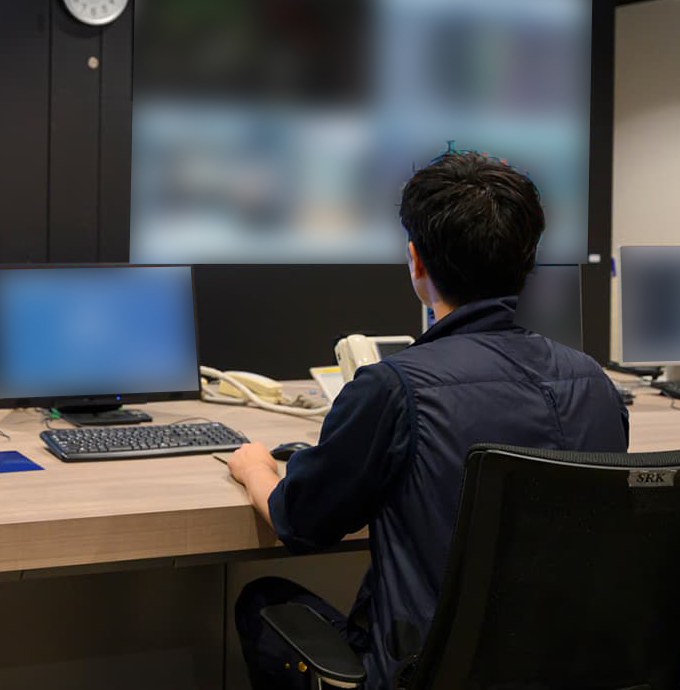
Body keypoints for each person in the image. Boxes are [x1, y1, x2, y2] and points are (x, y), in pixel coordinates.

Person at [226, 151, 629, 689]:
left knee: (263, 601)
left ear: (416, 261)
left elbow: (302, 522)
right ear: (529, 261)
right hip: (571, 672)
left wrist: (256, 469)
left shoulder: (394, 388)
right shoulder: (596, 385)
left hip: (430, 676)